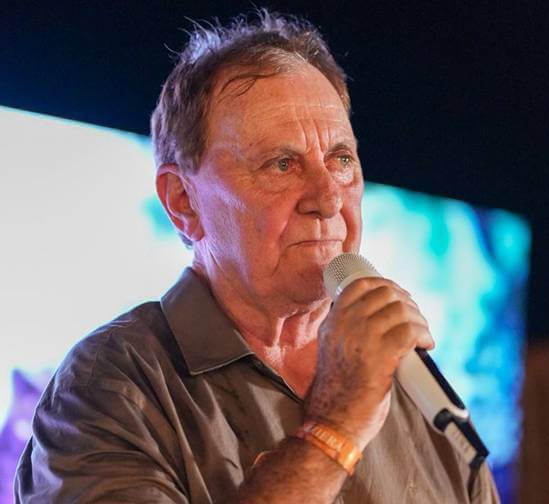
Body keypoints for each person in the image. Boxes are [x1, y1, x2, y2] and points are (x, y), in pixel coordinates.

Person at [15, 10, 499, 503]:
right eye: (282, 164)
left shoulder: (425, 400)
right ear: (183, 202)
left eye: (341, 160)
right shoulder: (111, 386)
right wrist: (335, 427)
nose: (328, 198)